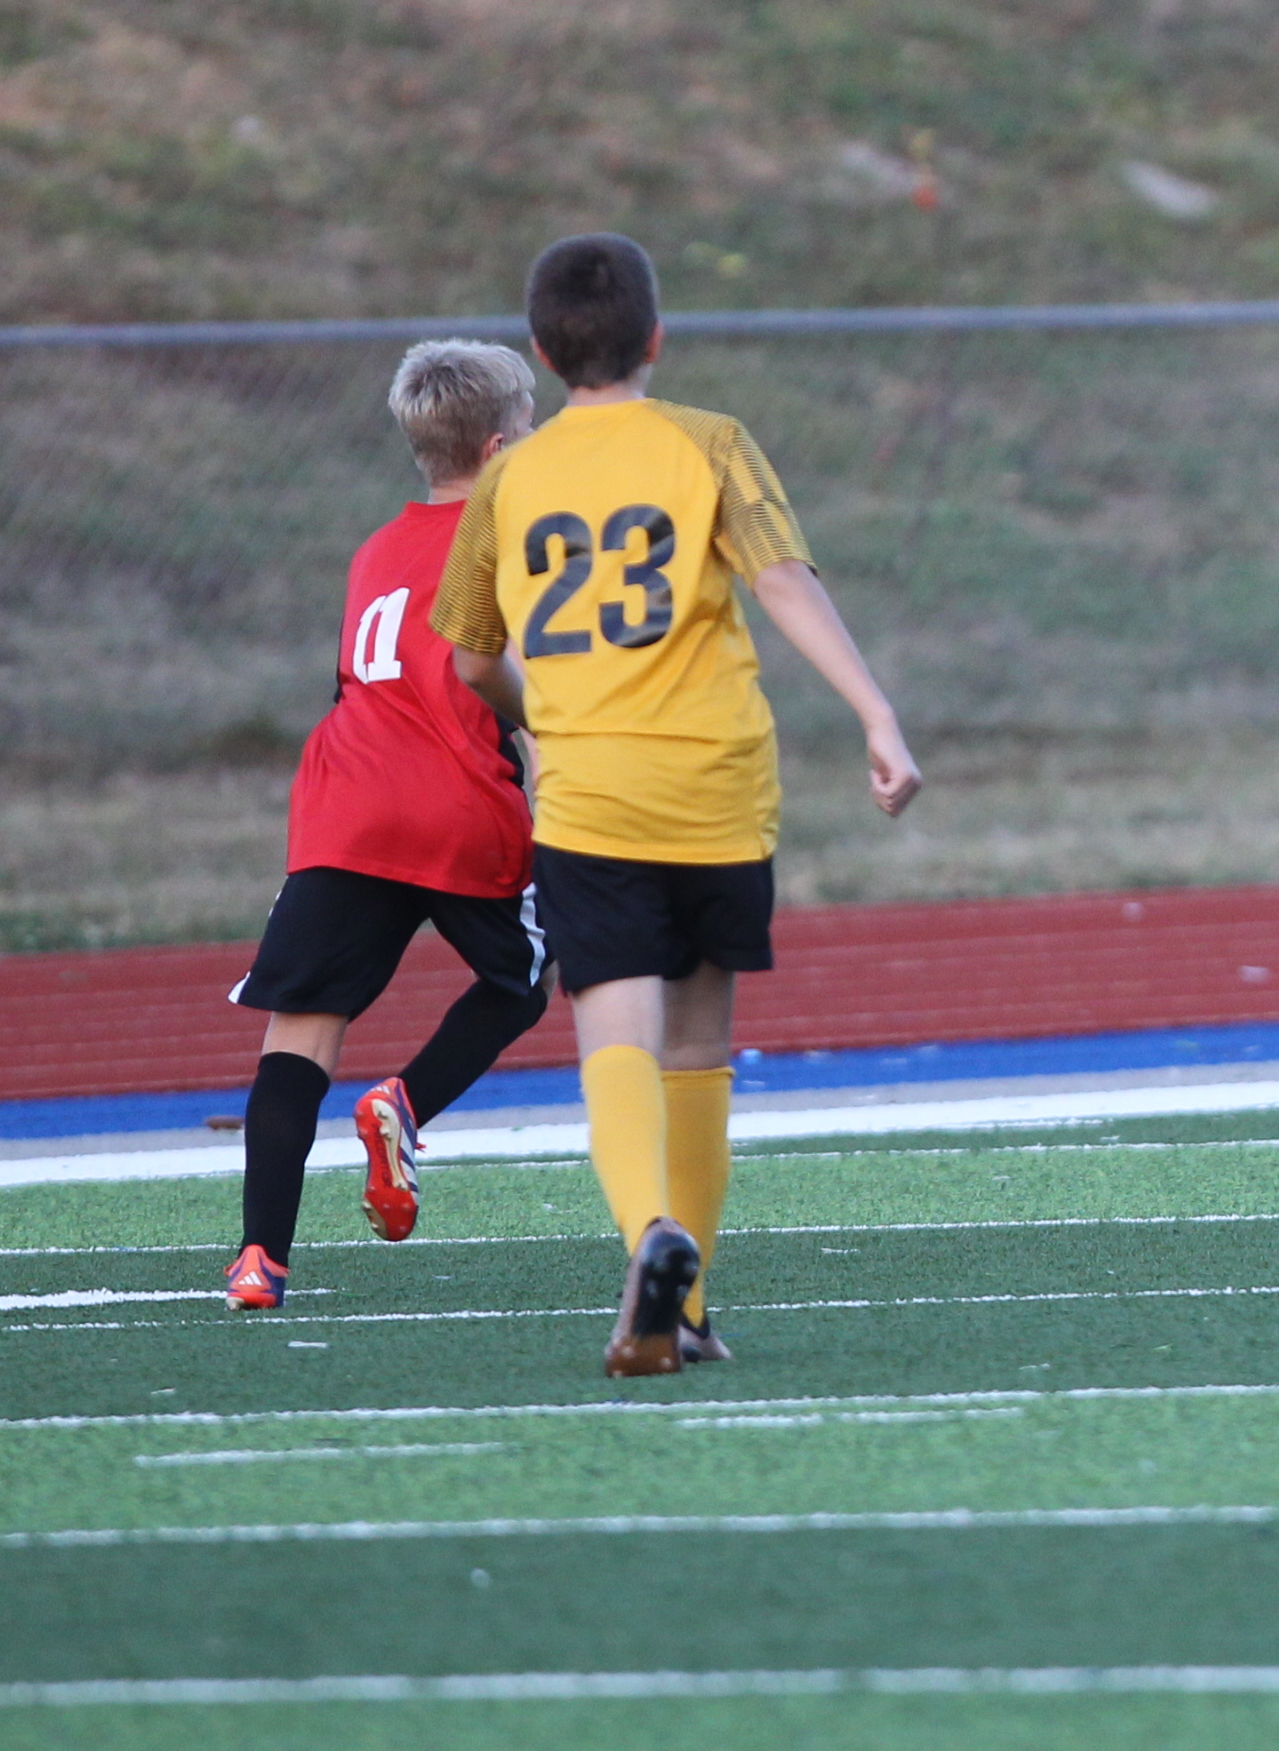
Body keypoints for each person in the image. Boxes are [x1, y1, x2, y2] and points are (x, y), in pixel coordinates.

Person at [432, 234, 923, 1375]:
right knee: (698, 1042)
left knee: (616, 1034)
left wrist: (543, 720)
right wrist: (875, 714)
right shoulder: (710, 441)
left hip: (591, 794)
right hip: (714, 781)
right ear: (656, 337)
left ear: (542, 352)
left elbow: (470, 657)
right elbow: (783, 581)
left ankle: (648, 1232)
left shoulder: (509, 478)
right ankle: (688, 1303)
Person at [218, 342, 558, 1311]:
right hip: (457, 803)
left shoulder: (374, 549)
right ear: (499, 449)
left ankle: (259, 1258)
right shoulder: (517, 545)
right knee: (526, 977)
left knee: (300, 1030)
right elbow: (522, 691)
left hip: (346, 806)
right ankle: (404, 1104)